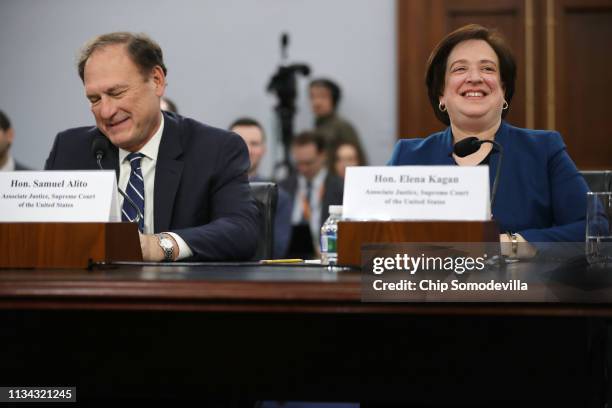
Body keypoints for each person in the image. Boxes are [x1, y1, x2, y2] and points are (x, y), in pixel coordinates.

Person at [45, 32, 259, 262]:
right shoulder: (70, 149)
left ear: (156, 80)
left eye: (116, 93)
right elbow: (43, 235)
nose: (106, 112)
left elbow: (241, 230)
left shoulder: (215, 149)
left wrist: (160, 246)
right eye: (95, 100)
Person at [388, 24, 588, 248]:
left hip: (522, 282)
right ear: (441, 94)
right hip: (428, 281)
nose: (475, 78)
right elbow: (374, 235)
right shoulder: (407, 156)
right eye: (459, 69)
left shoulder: (544, 150)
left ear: (503, 90)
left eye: (488, 69)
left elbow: (591, 227)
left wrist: (510, 244)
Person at [229, 117, 292, 258]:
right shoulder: (208, 190)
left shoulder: (280, 197)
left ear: (263, 149)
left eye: (254, 143)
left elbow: (276, 251)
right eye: (240, 142)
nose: (247, 149)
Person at [280, 131, 344, 258]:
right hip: (288, 260)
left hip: (327, 258)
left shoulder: (341, 189)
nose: (303, 169)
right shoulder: (283, 188)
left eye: (308, 163)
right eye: (299, 163)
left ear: (323, 156)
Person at [309, 78, 364, 155]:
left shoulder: (343, 127)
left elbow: (358, 160)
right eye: (312, 97)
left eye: (322, 96)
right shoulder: (316, 126)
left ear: (334, 99)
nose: (316, 102)